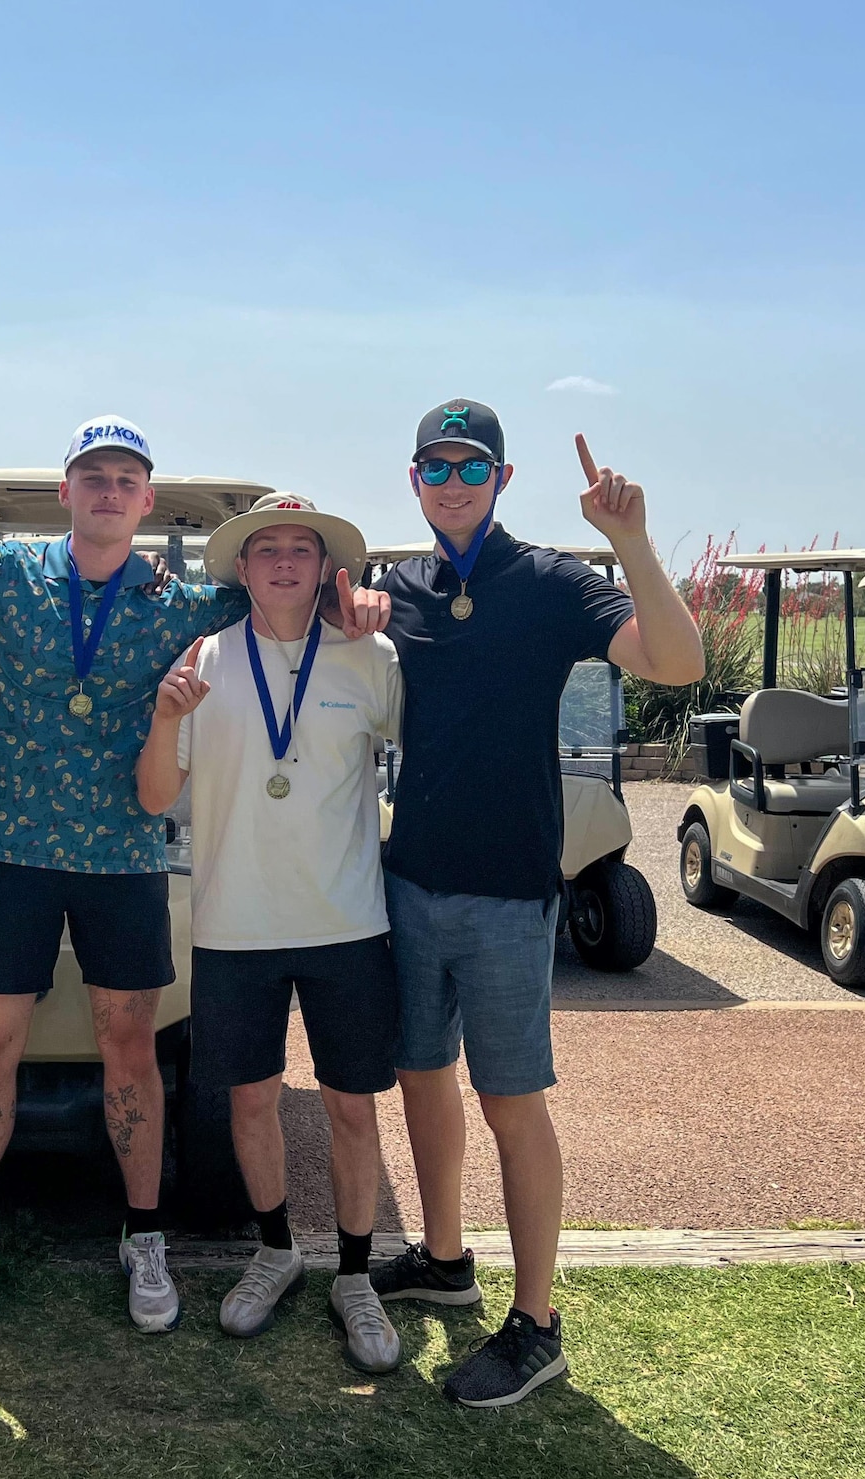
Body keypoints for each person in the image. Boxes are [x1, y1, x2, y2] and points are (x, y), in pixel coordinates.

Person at [0, 416, 391, 1337]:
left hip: (124, 854)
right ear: (67, 491)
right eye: (93, 476)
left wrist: (359, 610)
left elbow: (284, 607)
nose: (109, 491)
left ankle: (143, 1235)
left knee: (132, 1047)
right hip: (9, 851)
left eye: (126, 479)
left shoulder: (185, 603)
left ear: (146, 502)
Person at [370, 400, 704, 1407]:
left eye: (472, 466)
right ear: (415, 480)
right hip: (410, 877)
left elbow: (675, 662)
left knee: (509, 1101)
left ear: (502, 480)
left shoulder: (555, 581)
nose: (454, 481)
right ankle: (441, 1259)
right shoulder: (401, 588)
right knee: (420, 1076)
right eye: (436, 466)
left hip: (511, 891)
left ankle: (535, 1324)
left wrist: (630, 541)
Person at [135, 494, 406, 1374]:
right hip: (235, 926)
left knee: (350, 1106)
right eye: (267, 550)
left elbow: (431, 748)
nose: (285, 562)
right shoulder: (201, 661)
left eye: (303, 549)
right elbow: (150, 797)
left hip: (348, 924)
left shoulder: (373, 658)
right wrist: (168, 718)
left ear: (328, 569)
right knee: (250, 1100)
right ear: (242, 569)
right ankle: (277, 1249)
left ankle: (356, 1274)